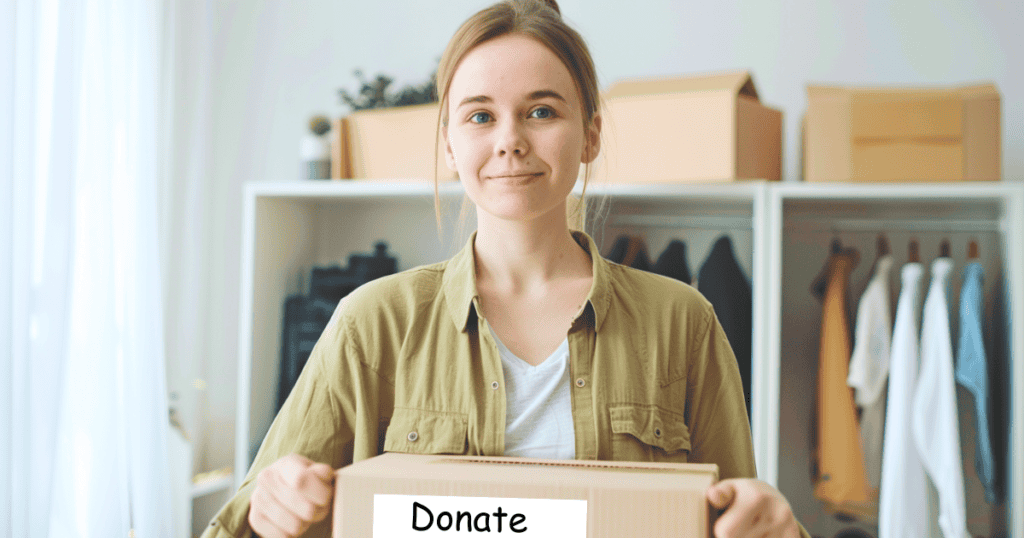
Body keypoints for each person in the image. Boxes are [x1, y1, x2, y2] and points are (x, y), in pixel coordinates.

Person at [204, 1, 808, 537]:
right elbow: (243, 520)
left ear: (590, 134)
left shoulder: (684, 322)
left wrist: (773, 523)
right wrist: (270, 506)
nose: (510, 140)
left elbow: (741, 514)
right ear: (448, 143)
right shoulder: (371, 324)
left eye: (541, 112)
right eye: (480, 116)